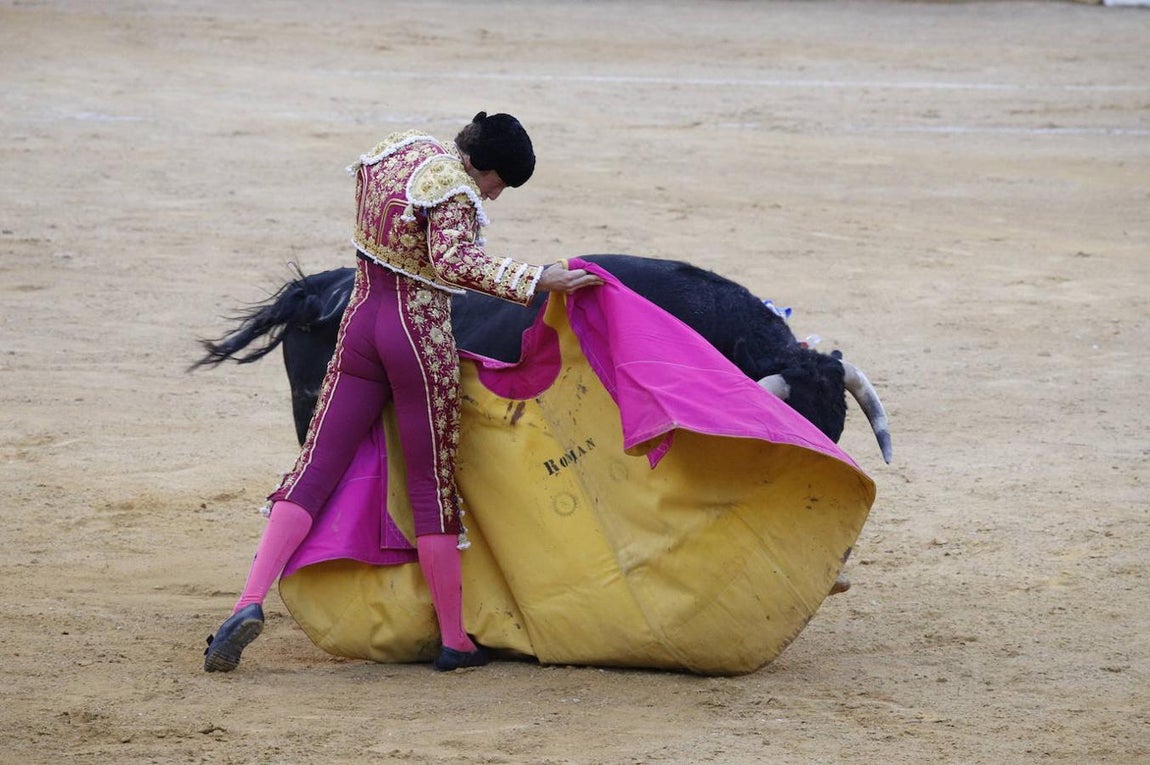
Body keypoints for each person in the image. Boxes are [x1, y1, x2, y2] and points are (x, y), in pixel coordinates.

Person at [203, 111, 603, 673]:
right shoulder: (455, 189)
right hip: (416, 333)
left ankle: (246, 603)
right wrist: (536, 279)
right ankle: (455, 639)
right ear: (483, 167)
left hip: (360, 318)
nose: (495, 195)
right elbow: (453, 261)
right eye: (499, 184)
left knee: (313, 467)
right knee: (431, 483)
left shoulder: (398, 149)